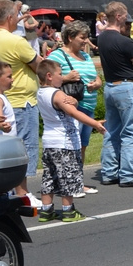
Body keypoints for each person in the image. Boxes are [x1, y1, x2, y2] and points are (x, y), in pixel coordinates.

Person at [0, 0, 47, 204]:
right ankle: (23, 192)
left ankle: (12, 191)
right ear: (10, 18)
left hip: (3, 98)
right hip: (22, 99)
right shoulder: (15, 41)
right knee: (25, 148)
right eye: (16, 16)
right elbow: (40, 66)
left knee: (8, 148)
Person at [35, 60, 106, 223]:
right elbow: (73, 113)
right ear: (49, 76)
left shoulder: (41, 93)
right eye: (59, 74)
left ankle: (46, 210)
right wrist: (94, 123)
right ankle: (68, 210)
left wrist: (73, 100)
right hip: (64, 141)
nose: (62, 77)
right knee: (68, 175)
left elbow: (67, 103)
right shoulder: (57, 94)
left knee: (49, 176)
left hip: (49, 142)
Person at [98, 1, 133, 187]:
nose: (128, 23)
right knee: (131, 132)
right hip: (126, 88)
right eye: (126, 18)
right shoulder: (123, 41)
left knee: (112, 131)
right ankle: (129, 174)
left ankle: (109, 172)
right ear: (119, 16)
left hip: (110, 87)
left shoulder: (102, 38)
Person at [48, 20, 103, 197]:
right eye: (82, 37)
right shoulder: (57, 56)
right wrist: (66, 78)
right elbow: (45, 78)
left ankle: (76, 180)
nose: (86, 41)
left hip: (88, 106)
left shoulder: (86, 56)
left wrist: (97, 84)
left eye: (87, 37)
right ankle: (69, 183)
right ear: (70, 37)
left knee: (82, 146)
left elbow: (96, 77)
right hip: (71, 108)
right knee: (71, 146)